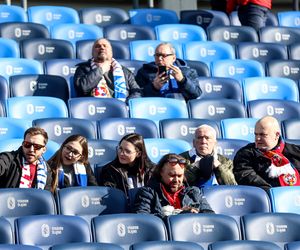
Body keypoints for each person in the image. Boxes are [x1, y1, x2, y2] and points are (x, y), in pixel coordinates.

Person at [133, 153, 214, 219]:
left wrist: (196, 214)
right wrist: (177, 214)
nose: (176, 180)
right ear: (161, 172)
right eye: (171, 175)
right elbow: (143, 219)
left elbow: (211, 215)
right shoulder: (148, 193)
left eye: (180, 176)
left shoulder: (194, 192)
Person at [234, 116, 300, 191]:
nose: (258, 138)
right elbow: (246, 176)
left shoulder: (296, 151)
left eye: (263, 135)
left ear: (277, 135)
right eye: (256, 134)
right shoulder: (246, 154)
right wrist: (273, 193)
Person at [73, 38, 142, 103]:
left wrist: (125, 105)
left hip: (121, 110)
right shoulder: (83, 69)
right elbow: (82, 88)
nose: (102, 48)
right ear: (92, 53)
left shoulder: (125, 72)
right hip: (94, 109)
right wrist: (101, 70)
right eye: (98, 46)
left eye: (105, 46)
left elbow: (137, 93)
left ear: (111, 52)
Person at [135, 42, 202, 101]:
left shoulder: (188, 72)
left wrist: (183, 80)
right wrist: (153, 87)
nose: (160, 59)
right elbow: (137, 95)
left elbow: (196, 94)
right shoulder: (144, 72)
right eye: (157, 55)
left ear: (173, 58)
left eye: (164, 55)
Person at [99, 133, 155, 198]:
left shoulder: (152, 170)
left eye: (127, 151)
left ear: (138, 154)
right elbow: (113, 198)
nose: (122, 153)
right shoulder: (110, 170)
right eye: (120, 148)